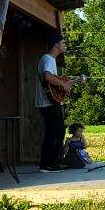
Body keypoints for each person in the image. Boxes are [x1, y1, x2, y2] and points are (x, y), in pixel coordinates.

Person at [37, 33, 71, 172]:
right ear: (56, 44)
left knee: (58, 131)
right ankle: (47, 164)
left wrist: (64, 85)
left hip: (52, 102)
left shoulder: (52, 60)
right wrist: (63, 85)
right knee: (54, 133)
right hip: (48, 103)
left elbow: (54, 83)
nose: (65, 45)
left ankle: (54, 162)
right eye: (63, 43)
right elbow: (47, 76)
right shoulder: (47, 59)